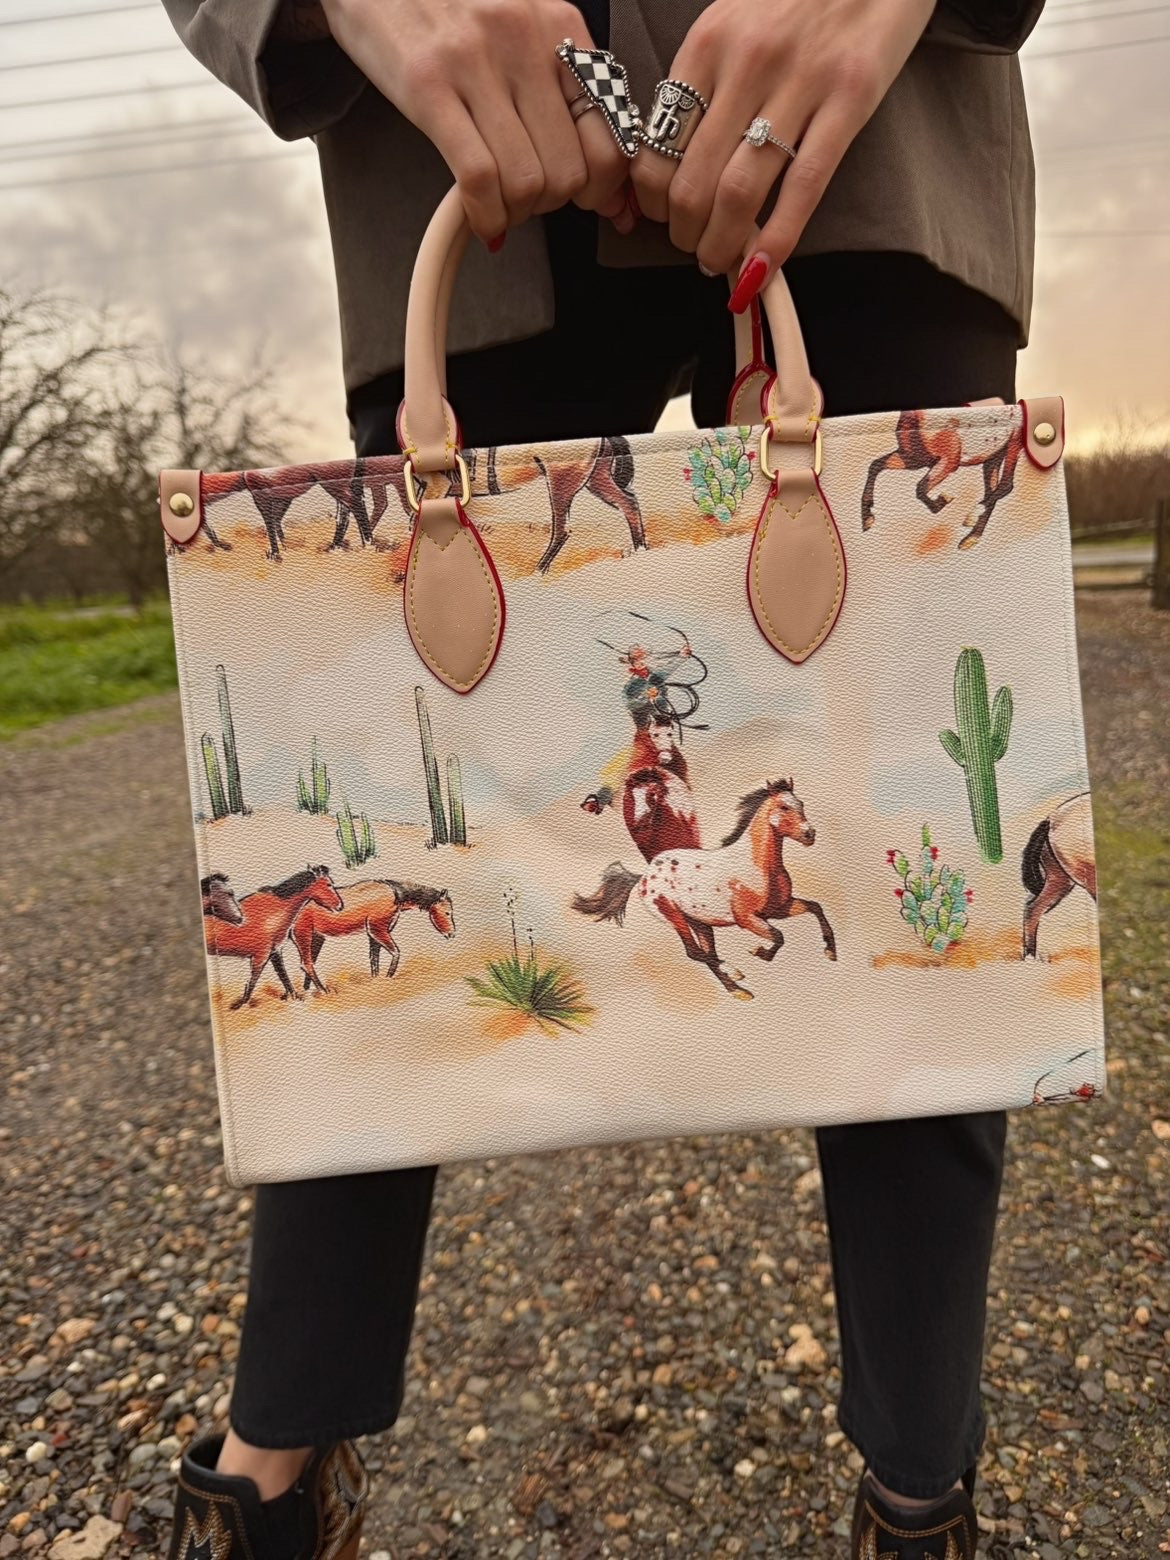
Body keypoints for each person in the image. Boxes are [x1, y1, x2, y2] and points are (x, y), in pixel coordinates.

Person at [159, 2, 1045, 1555]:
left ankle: (919, 1484)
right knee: (394, 795)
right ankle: (271, 1458)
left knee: (910, 842)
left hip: (862, 130)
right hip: (466, 138)